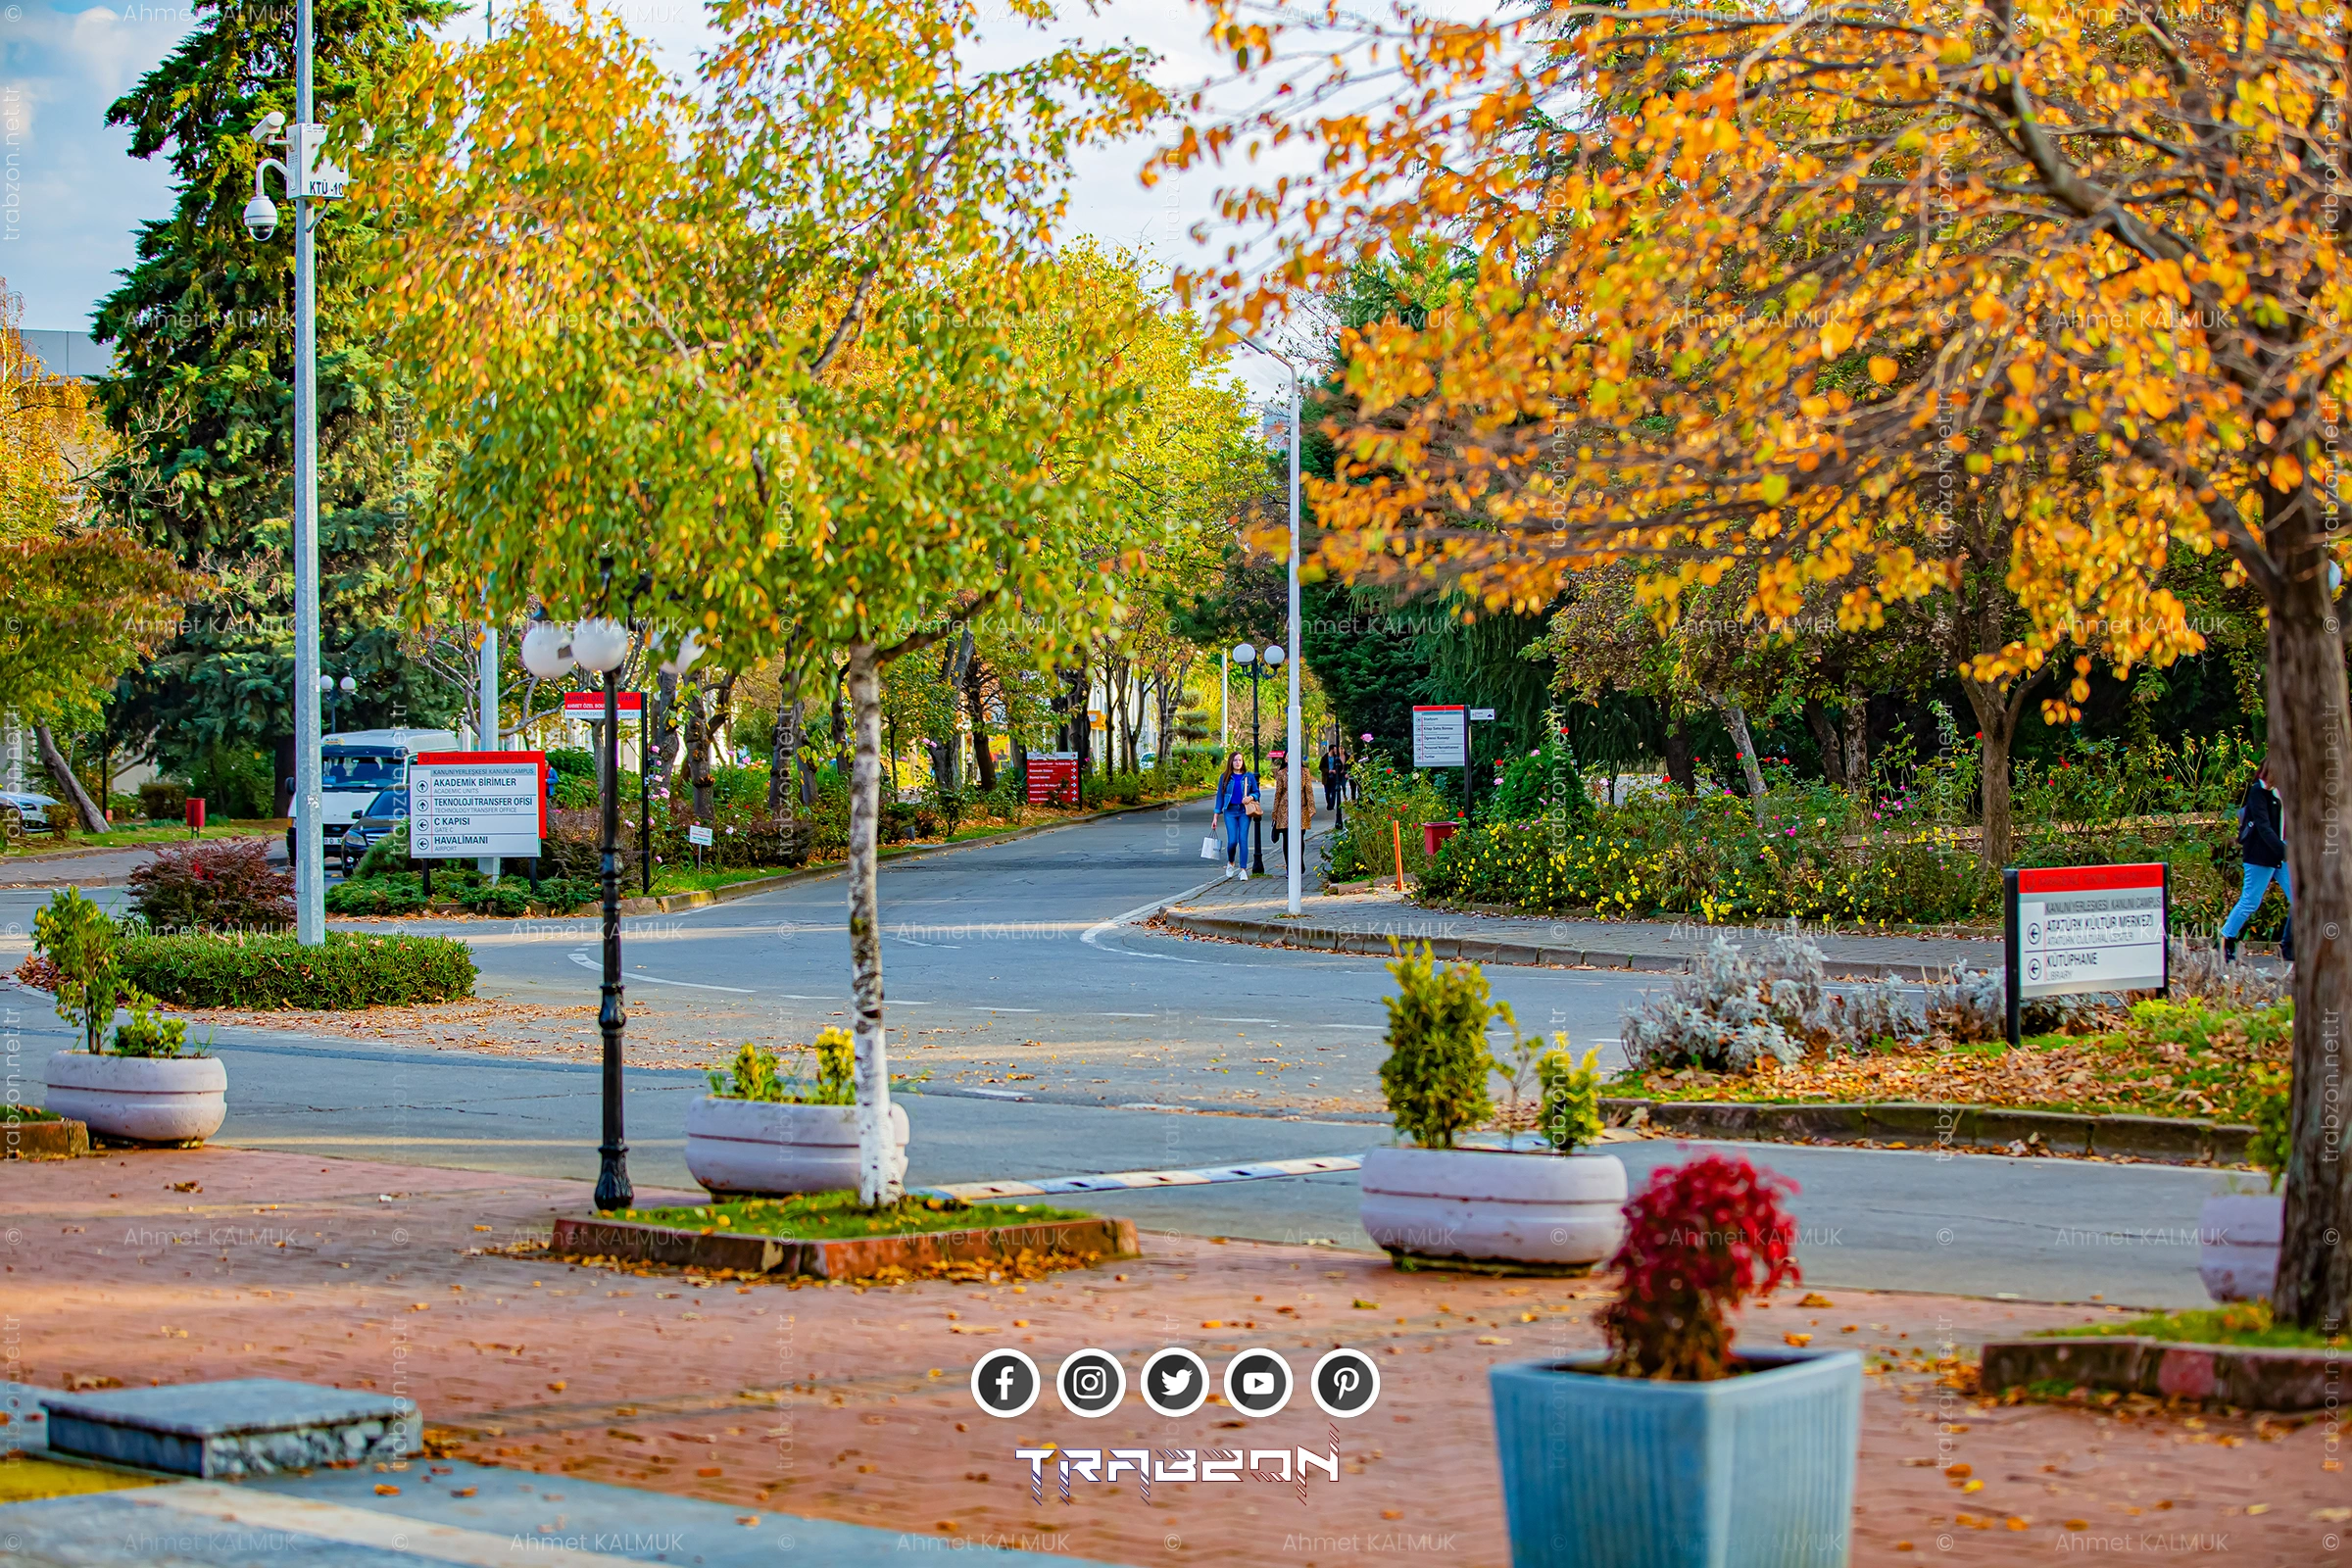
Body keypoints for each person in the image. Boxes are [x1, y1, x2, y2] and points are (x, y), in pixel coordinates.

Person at [2222, 760, 2289, 962]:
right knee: (2250, 901)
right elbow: (2263, 827)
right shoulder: (2258, 792)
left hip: (2281, 854)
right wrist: (2283, 850)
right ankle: (2226, 939)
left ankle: (2294, 946)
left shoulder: (2281, 792)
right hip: (2261, 855)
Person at [1213, 750, 1258, 880]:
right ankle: (1231, 862)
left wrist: (1251, 796)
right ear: (1231, 762)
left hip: (1244, 811)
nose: (1238, 762)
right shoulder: (1225, 777)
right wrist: (1216, 816)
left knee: (1243, 839)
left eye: (1240, 760)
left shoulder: (1248, 777)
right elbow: (1220, 797)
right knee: (1232, 841)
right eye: (1235, 760)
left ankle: (1243, 869)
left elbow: (1257, 792)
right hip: (1230, 811)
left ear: (1243, 762)